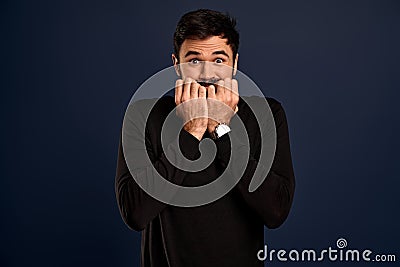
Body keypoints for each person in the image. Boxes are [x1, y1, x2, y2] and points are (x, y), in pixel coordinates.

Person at [115, 9, 295, 267]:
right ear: (176, 65)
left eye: (219, 60)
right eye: (195, 60)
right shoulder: (143, 115)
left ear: (235, 64)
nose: (207, 73)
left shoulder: (267, 114)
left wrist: (222, 128)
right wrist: (192, 130)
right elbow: (135, 213)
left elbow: (276, 211)